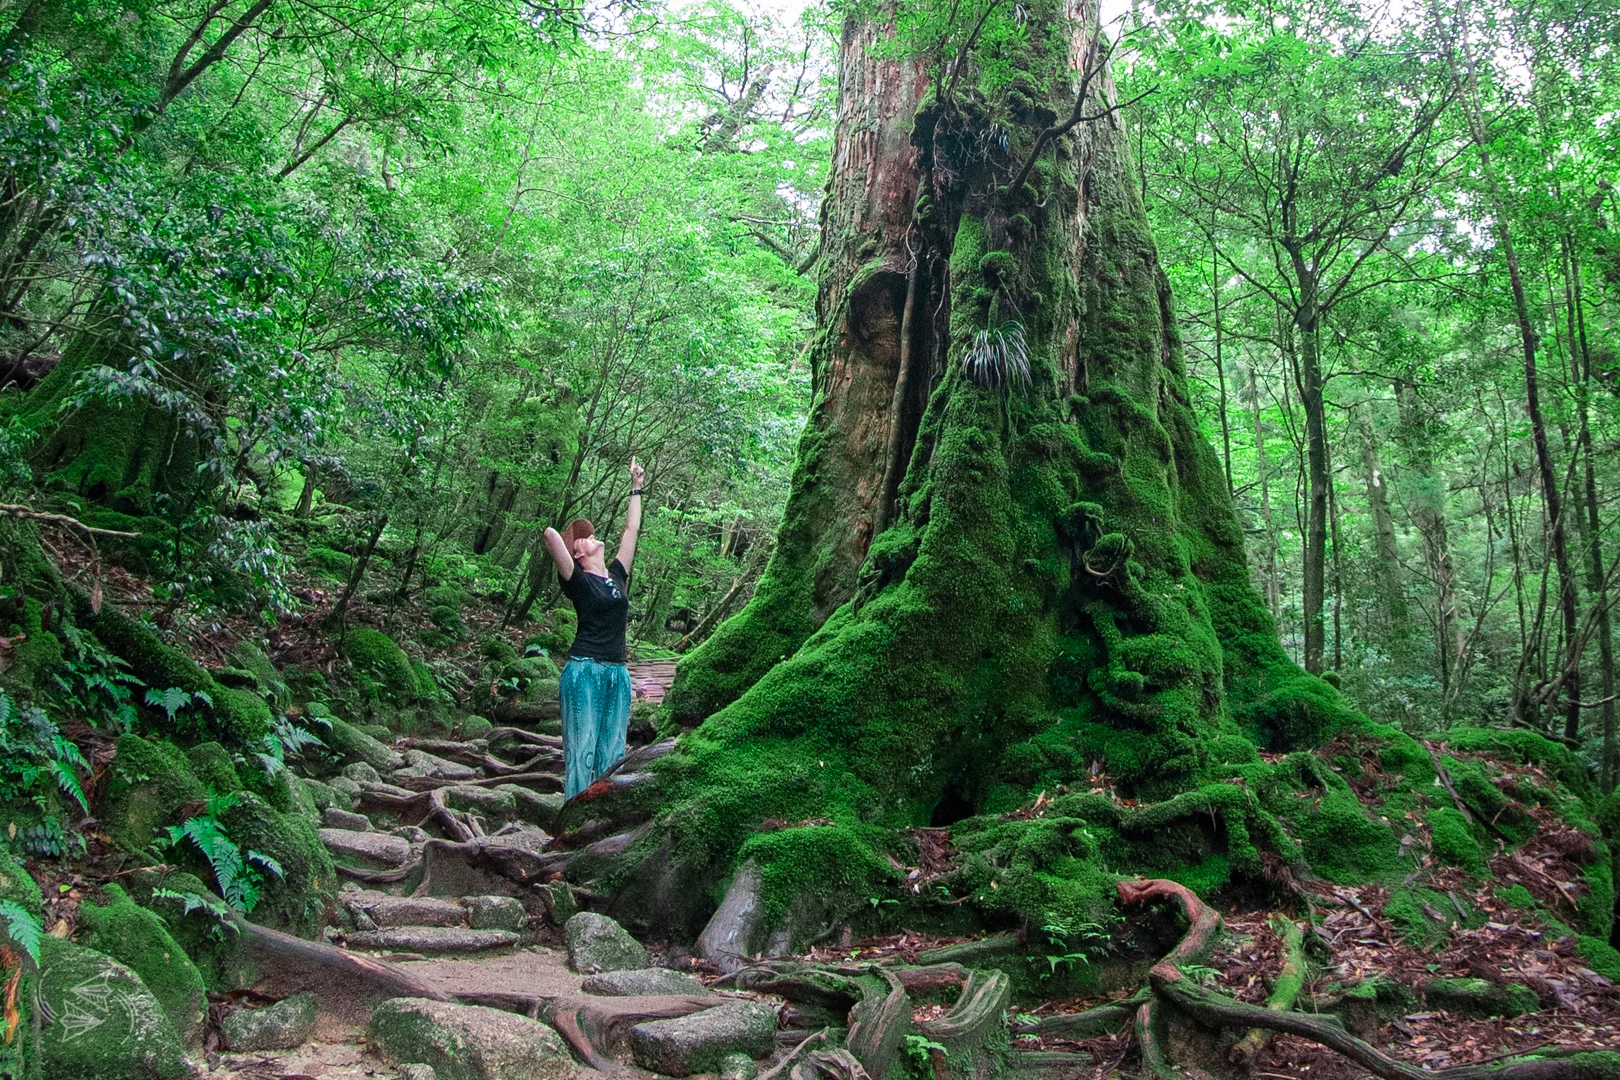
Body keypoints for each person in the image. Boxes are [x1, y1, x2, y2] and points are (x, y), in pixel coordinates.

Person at [543, 458, 645, 800]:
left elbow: (631, 532)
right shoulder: (579, 583)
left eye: (589, 535)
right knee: (581, 753)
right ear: (578, 554)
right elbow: (550, 536)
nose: (590, 537)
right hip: (584, 670)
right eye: (583, 539)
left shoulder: (616, 575)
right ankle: (570, 823)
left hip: (617, 674)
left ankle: (596, 823)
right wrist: (572, 548)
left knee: (611, 757)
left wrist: (636, 485)